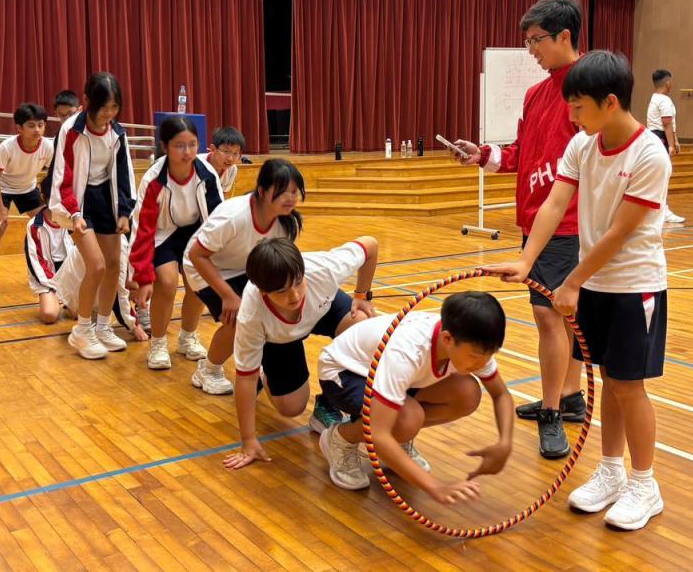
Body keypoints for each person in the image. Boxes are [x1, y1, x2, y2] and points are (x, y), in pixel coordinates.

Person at [484, 50, 670, 531]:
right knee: (609, 380)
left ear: (610, 102)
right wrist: (527, 260)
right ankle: (611, 471)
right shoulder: (583, 146)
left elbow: (619, 233)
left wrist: (571, 283)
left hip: (634, 286)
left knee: (629, 386)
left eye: (578, 106)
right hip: (597, 282)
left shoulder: (649, 154)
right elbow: (554, 203)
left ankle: (645, 484)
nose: (571, 115)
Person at [450, 0, 585, 460]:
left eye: (536, 40)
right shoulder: (536, 94)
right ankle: (569, 396)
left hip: (569, 222)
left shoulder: (586, 87)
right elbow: (523, 154)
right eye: (527, 42)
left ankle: (552, 411)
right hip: (535, 220)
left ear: (564, 35)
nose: (531, 50)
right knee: (559, 315)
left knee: (551, 316)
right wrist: (484, 155)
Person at [316, 293, 514, 503]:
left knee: (468, 394)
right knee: (406, 421)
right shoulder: (408, 350)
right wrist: (436, 487)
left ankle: (398, 440)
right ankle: (341, 439)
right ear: (447, 339)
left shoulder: (473, 342)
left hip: (393, 374)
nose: (482, 364)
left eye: (489, 355)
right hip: (344, 370)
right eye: (474, 357)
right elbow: (379, 434)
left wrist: (505, 443)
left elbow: (501, 394)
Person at [222, 236, 379, 470]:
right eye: (282, 291)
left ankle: (327, 404)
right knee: (291, 408)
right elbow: (245, 378)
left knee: (363, 324)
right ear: (263, 292)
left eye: (298, 282)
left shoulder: (325, 268)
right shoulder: (251, 315)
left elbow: (370, 245)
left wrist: (362, 295)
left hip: (323, 309)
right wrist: (248, 440)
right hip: (280, 338)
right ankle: (266, 371)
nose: (294, 295)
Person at [183, 159, 306, 394]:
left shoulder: (284, 223)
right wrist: (228, 296)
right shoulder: (234, 215)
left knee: (270, 310)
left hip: (245, 268)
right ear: (262, 191)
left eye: (294, 191)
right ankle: (208, 370)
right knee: (239, 319)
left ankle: (260, 365)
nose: (291, 198)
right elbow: (197, 255)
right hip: (204, 266)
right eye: (283, 191)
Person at [49, 72, 138, 360]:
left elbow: (124, 174)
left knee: (113, 265)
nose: (109, 114)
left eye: (114, 107)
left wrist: (124, 212)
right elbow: (62, 175)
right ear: (87, 101)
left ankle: (103, 326)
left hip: (106, 200)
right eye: (103, 107)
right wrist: (74, 212)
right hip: (77, 201)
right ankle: (82, 329)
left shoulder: (117, 133)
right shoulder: (71, 130)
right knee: (96, 265)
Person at [127, 116, 223, 370]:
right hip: (163, 234)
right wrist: (141, 276)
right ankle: (158, 343)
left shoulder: (207, 174)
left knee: (198, 280)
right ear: (165, 146)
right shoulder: (154, 179)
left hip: (196, 233)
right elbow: (142, 230)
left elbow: (218, 219)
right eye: (179, 145)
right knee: (167, 282)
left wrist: (220, 258)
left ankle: (187, 337)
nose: (187, 152)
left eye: (192, 144)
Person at [0, 103, 53, 294]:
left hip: (28, 189)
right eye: (31, 125)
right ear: (19, 128)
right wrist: (0, 208)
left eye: (40, 125)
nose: (37, 130)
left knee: (47, 226)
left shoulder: (48, 146)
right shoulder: (7, 147)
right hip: (4, 188)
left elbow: (55, 173)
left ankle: (48, 269)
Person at [646, 69, 686, 224]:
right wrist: (671, 145)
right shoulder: (664, 101)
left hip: (655, 137)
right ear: (668, 83)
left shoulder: (654, 98)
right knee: (662, 176)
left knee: (660, 176)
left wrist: (675, 140)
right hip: (660, 138)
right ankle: (662, 211)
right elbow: (667, 124)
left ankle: (659, 210)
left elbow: (669, 124)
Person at [205, 126, 246, 196]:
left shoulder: (232, 169)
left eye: (235, 153)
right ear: (213, 149)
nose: (230, 159)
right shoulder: (196, 164)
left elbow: (222, 197)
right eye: (226, 151)